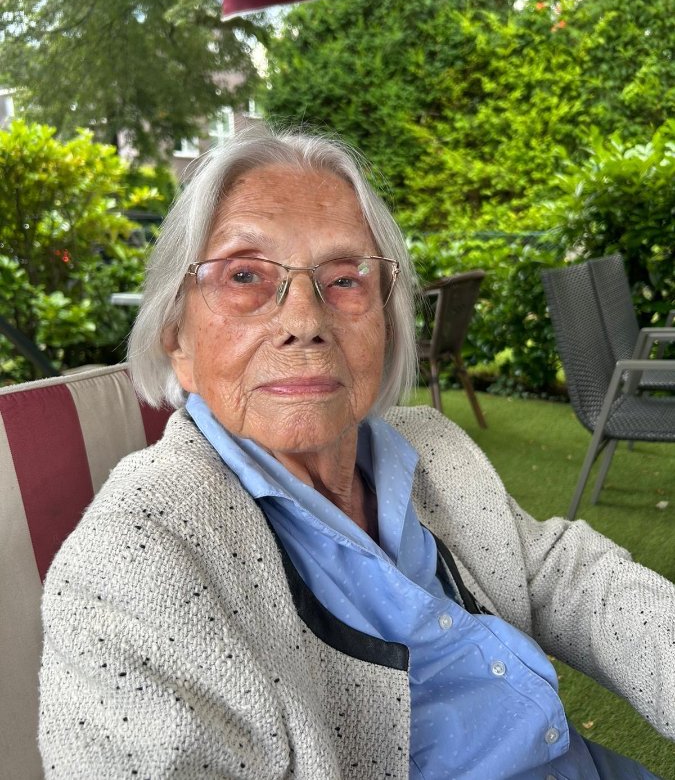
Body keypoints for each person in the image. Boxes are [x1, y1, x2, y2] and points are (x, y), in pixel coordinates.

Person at [39, 129, 674, 779]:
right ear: (177, 337)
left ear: (387, 322)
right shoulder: (133, 557)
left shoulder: (429, 445)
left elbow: (562, 575)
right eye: (244, 275)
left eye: (344, 278)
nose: (304, 320)